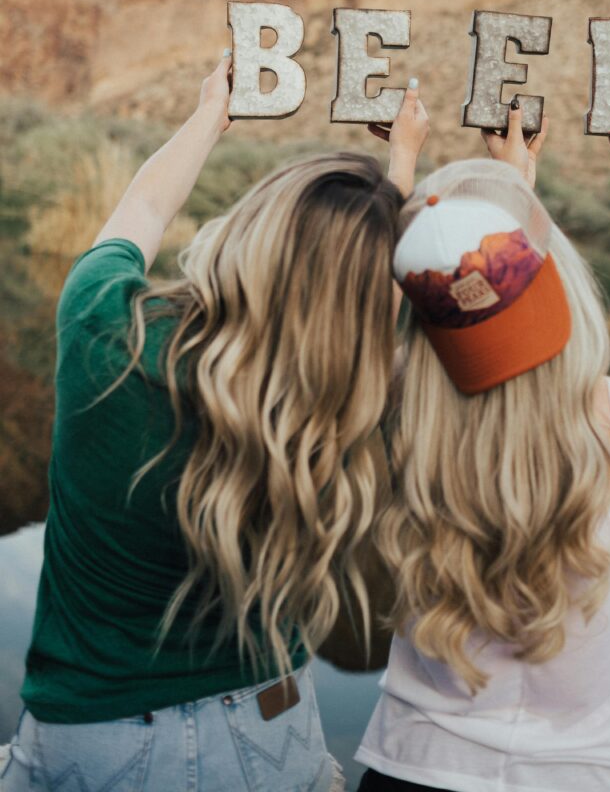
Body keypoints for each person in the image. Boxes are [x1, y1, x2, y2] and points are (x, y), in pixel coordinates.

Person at [0, 53, 429, 792]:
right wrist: (402, 171)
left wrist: (209, 116)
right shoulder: (344, 403)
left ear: (250, 228)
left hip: (96, 740)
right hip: (274, 730)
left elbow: (141, 211)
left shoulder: (107, 326)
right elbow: (370, 308)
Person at [356, 102, 610, 792]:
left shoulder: (398, 414)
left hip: (417, 773)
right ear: (563, 285)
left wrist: (405, 169)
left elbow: (377, 313)